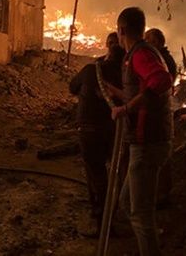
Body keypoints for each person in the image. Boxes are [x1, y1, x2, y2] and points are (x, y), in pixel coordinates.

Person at [109, 7, 173, 256]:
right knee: (128, 203)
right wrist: (113, 92)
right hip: (146, 142)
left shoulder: (140, 54)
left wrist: (126, 109)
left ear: (122, 30)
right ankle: (150, 243)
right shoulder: (139, 54)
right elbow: (139, 92)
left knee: (140, 213)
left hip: (148, 143)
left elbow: (161, 80)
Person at [69, 43, 125, 237]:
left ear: (107, 55)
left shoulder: (92, 70)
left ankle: (103, 226)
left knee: (97, 175)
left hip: (90, 130)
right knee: (115, 174)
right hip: (114, 131)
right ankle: (109, 215)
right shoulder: (126, 75)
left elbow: (72, 87)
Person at [145, 28, 177, 208]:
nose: (145, 42)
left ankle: (163, 196)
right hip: (156, 115)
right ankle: (157, 193)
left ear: (157, 42)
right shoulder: (158, 59)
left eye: (149, 39)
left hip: (160, 115)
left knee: (161, 156)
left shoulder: (164, 61)